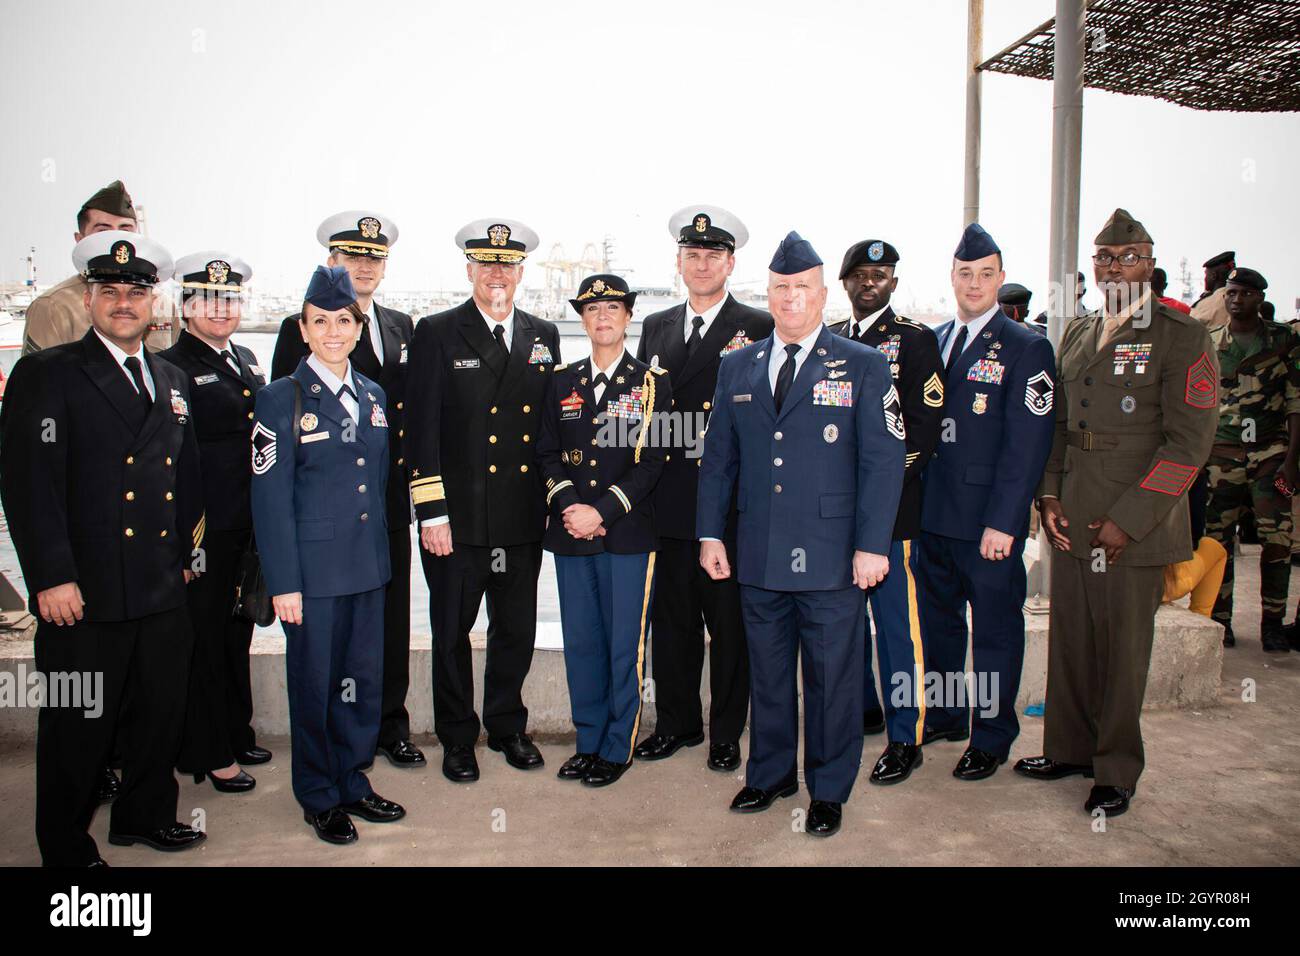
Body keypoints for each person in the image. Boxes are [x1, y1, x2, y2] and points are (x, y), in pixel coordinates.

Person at [0, 231, 206, 865]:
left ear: (153, 301)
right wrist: (51, 577)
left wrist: (190, 557)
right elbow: (28, 487)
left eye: (136, 292)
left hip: (160, 586)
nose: (124, 302)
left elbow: (186, 477)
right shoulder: (47, 374)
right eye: (110, 291)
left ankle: (144, 817)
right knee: (77, 729)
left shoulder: (170, 378)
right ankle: (64, 844)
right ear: (88, 298)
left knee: (157, 716)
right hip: (84, 592)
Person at [697, 231, 904, 837]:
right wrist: (711, 535)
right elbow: (719, 461)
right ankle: (770, 773)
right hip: (757, 553)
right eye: (782, 288)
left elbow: (884, 461)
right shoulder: (738, 364)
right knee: (767, 672)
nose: (791, 299)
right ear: (769, 293)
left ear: (821, 295)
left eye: (803, 289)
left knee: (833, 678)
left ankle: (829, 788)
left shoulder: (864, 365)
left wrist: (872, 547)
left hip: (834, 557)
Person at [1020, 208, 1218, 817]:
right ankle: (1070, 750)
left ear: (1150, 264)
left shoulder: (1182, 336)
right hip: (1075, 513)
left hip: (1136, 522)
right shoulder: (1079, 331)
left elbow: (1189, 445)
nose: (1114, 268)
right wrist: (1048, 495)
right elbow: (1057, 425)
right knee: (1073, 642)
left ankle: (1116, 770)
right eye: (1104, 258)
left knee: (1124, 651)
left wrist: (1130, 519)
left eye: (1128, 257)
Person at [251, 265, 405, 845]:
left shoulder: (373, 394)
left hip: (367, 570)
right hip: (312, 579)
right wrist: (283, 583)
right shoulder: (280, 400)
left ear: (358, 329)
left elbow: (380, 480)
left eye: (344, 321)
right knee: (316, 687)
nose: (334, 332)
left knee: (361, 683)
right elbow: (269, 501)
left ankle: (353, 780)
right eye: (322, 322)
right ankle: (318, 795)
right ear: (303, 328)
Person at [406, 219, 561, 782]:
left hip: (520, 516)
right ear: (470, 270)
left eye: (508, 264)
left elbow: (549, 430)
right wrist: (431, 513)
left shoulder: (543, 334)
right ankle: (456, 737)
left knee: (515, 629)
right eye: (487, 264)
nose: (498, 273)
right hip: (459, 518)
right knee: (450, 632)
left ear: (521, 272)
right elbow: (419, 432)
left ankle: (506, 726)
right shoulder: (438, 331)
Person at [270, 211, 422, 768]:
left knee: (386, 623)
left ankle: (387, 727)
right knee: (322, 655)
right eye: (353, 255)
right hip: (324, 513)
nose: (364, 265)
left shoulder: (404, 325)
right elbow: (284, 443)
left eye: (374, 257)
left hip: (384, 509)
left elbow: (410, 417)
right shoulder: (298, 330)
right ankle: (327, 767)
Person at [633, 206, 771, 772]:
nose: (703, 263)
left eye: (714, 254)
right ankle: (677, 723)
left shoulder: (757, 326)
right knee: (673, 623)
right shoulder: (657, 326)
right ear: (679, 262)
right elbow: (642, 415)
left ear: (731, 262)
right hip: (667, 503)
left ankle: (725, 733)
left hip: (729, 505)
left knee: (729, 626)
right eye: (693, 254)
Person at [916, 223, 1056, 781]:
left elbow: (1028, 446)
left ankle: (993, 735)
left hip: (987, 527)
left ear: (1000, 278)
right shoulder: (935, 339)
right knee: (939, 626)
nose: (974, 283)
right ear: (952, 277)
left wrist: (1005, 522)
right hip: (933, 517)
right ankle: (947, 715)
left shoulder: (1028, 346)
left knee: (995, 632)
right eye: (964, 273)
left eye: (985, 274)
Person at [539, 274, 671, 786]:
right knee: (583, 643)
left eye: (612, 308)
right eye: (592, 309)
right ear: (582, 318)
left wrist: (602, 512)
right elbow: (546, 453)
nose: (602, 317)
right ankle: (588, 739)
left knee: (623, 645)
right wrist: (573, 507)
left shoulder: (651, 384)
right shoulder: (560, 381)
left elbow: (653, 462)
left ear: (628, 317)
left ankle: (618, 745)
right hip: (572, 533)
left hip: (627, 536)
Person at [827, 238, 944, 783]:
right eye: (860, 274)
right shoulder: (831, 343)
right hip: (838, 515)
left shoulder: (916, 342)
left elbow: (923, 429)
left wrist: (877, 490)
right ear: (846, 282)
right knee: (847, 626)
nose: (870, 282)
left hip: (892, 513)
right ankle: (867, 711)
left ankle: (906, 735)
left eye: (881, 274)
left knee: (899, 630)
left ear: (894, 282)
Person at [160, 252, 270, 793]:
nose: (221, 309)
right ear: (185, 309)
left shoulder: (246, 358)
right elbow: (175, 460)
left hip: (246, 524)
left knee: (237, 632)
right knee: (203, 639)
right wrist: (186, 541)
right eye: (208, 299)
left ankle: (235, 729)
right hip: (206, 527)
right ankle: (206, 750)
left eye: (229, 299)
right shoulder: (174, 366)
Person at [1203, 267, 1300, 652]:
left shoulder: (1284, 340)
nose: (1236, 300)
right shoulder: (1210, 342)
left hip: (1270, 456)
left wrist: (1292, 462)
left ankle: (1273, 624)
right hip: (1220, 455)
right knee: (1217, 544)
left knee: (1277, 541)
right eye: (1231, 293)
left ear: (1260, 298)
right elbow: (1199, 402)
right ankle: (1219, 620)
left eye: (1244, 293)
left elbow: (1296, 400)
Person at [23, 180, 177, 356]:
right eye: (103, 230)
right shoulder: (53, 307)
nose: (115, 238)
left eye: (125, 229)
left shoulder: (162, 304)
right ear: (80, 239)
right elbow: (39, 376)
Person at [1190, 250, 1235, 332]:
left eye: (1206, 274)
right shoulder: (1246, 302)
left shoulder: (1205, 305)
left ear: (1214, 276)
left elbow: (1190, 331)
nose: (1205, 279)